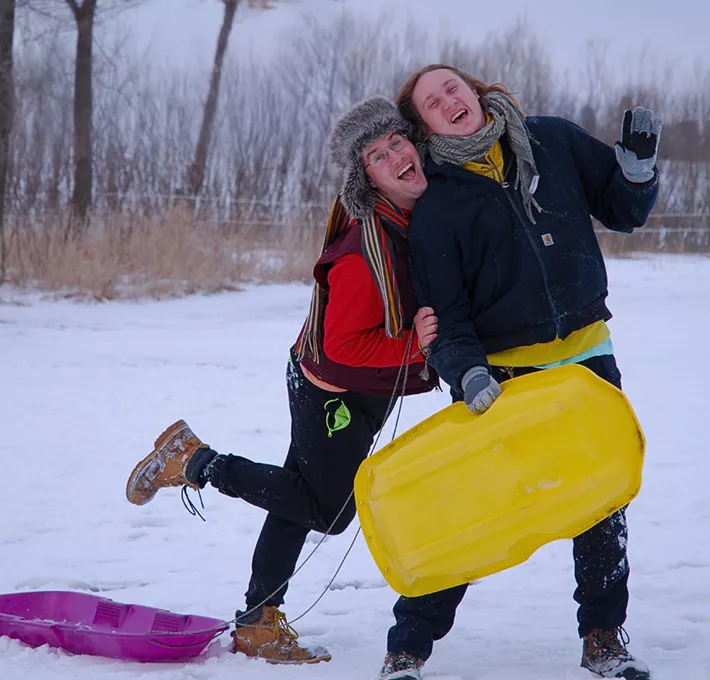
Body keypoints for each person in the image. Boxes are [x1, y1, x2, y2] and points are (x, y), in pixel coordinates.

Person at [124, 97, 439, 665]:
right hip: (332, 390)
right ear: (364, 177)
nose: (394, 156)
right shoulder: (363, 253)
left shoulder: (411, 221)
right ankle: (194, 460)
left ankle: (257, 622)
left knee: (299, 495)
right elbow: (345, 345)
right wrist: (419, 341)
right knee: (328, 510)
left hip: (353, 384)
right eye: (376, 154)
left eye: (397, 142)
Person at [372, 65, 662, 680]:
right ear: (424, 125)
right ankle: (407, 649)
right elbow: (445, 319)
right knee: (479, 512)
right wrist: (468, 375)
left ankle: (603, 640)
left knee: (601, 506)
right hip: (509, 382)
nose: (448, 100)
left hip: (587, 365)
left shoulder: (551, 141)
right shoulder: (439, 207)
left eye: (452, 88)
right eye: (431, 102)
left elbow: (621, 208)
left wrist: (636, 170)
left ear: (473, 92)